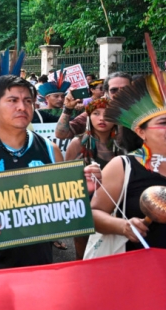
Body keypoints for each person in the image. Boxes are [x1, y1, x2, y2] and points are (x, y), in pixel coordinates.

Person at [0, 75, 101, 272]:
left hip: (37, 263)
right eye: (13, 100)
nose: (22, 107)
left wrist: (81, 189)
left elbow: (60, 206)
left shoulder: (50, 150)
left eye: (27, 101)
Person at [93, 70, 166, 251]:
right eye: (163, 122)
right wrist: (123, 226)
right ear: (141, 132)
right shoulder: (123, 167)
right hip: (140, 273)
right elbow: (94, 213)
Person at [64, 97, 123, 259]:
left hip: (117, 210)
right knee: (84, 258)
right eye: (96, 113)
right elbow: (66, 181)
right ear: (89, 117)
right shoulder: (77, 143)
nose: (102, 118)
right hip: (84, 210)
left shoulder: (123, 144)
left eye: (108, 114)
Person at [56, 71, 132, 140]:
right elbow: (61, 134)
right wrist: (67, 109)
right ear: (106, 92)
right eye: (114, 90)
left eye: (125, 89)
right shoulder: (96, 110)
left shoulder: (142, 109)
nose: (120, 93)